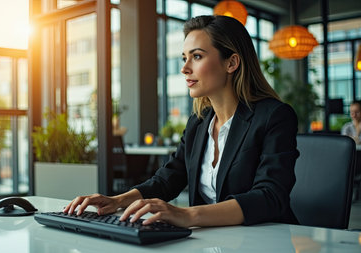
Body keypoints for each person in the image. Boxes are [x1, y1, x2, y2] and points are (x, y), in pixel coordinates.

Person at [63, 15, 299, 228]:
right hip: (212, 241)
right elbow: (169, 179)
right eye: (184, 58)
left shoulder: (274, 116)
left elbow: (270, 196)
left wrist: (187, 215)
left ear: (231, 63)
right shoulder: (199, 122)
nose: (185, 68)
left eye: (196, 57)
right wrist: (116, 201)